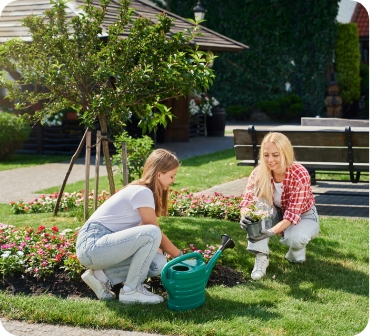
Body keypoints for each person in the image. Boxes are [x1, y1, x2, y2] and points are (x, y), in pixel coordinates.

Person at [76, 148, 182, 304]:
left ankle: (101, 276)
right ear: (159, 174)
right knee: (153, 232)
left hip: (100, 248)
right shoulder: (142, 192)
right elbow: (153, 231)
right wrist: (179, 256)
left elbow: (145, 238)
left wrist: (161, 253)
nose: (173, 180)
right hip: (92, 244)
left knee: (158, 263)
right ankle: (131, 290)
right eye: (172, 176)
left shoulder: (143, 193)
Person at [239, 132, 320, 280]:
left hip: (303, 215)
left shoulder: (299, 174)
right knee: (259, 207)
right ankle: (261, 257)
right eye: (266, 155)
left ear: (286, 153)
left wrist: (270, 232)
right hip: (275, 212)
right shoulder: (259, 172)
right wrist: (244, 215)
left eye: (276, 155)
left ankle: (296, 249)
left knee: (297, 239)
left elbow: (291, 215)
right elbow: (247, 201)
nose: (270, 160)